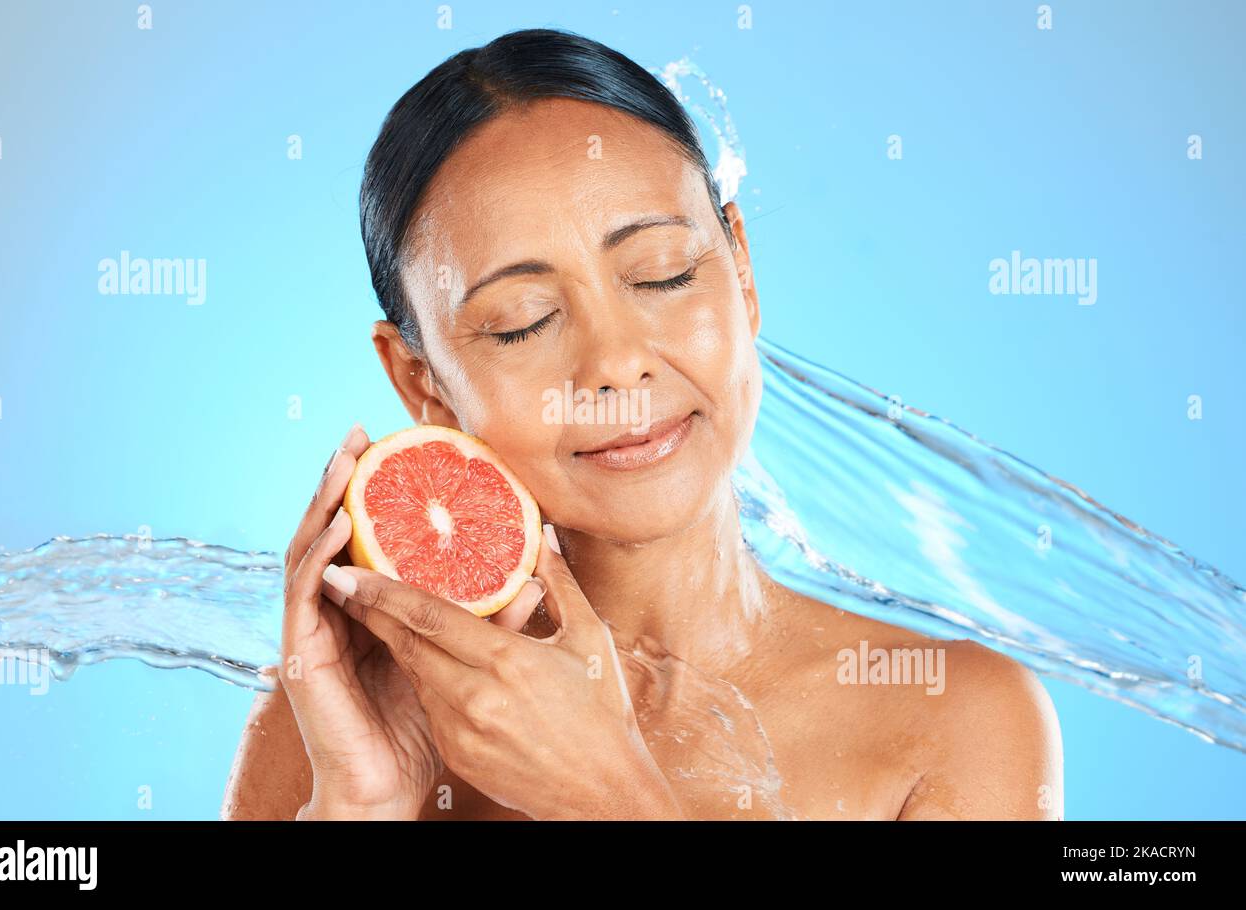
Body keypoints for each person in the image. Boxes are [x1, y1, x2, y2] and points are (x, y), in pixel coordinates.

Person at [221, 27, 1063, 821]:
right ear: (423, 382)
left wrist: (611, 796)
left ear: (742, 271)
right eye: (521, 321)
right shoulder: (330, 722)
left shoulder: (954, 721)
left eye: (660, 274)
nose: (618, 360)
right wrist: (361, 806)